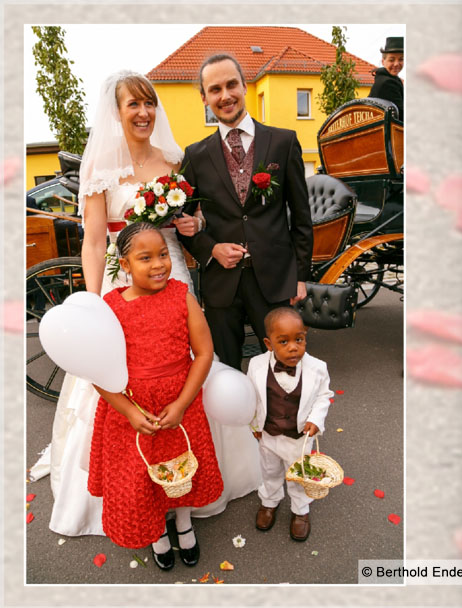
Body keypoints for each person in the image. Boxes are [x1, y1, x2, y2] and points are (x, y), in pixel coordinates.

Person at [43, 71, 260, 540]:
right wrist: (94, 301)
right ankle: (139, 494)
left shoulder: (172, 159)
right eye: (132, 105)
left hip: (173, 272)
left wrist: (191, 223)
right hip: (124, 282)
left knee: (177, 368)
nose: (143, 112)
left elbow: (190, 219)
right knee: (128, 376)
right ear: (116, 112)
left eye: (149, 103)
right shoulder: (100, 167)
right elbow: (96, 240)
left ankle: (186, 489)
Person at [88, 223, 223, 567]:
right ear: (125, 264)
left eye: (163, 254)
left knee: (182, 467)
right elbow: (96, 370)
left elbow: (204, 353)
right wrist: (129, 412)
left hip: (179, 403)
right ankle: (159, 530)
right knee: (142, 473)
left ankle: (183, 522)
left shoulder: (182, 296)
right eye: (145, 257)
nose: (159, 264)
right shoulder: (111, 308)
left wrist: (181, 404)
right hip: (133, 409)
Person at [177, 54, 313, 370]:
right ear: (204, 98)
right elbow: (181, 222)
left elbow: (302, 216)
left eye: (231, 84)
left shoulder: (283, 141)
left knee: (283, 369)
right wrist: (210, 248)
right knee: (225, 370)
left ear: (244, 85)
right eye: (215, 89)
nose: (225, 96)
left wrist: (301, 277)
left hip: (276, 279)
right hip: (221, 284)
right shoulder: (195, 155)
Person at [248, 308, 333, 542]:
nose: (293, 347)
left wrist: (316, 419)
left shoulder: (317, 367)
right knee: (270, 470)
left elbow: (324, 395)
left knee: (299, 475)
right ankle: (269, 501)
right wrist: (254, 425)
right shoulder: (256, 365)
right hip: (269, 434)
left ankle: (300, 510)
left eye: (299, 339)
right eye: (283, 342)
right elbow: (251, 397)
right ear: (268, 343)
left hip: (299, 438)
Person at [367, 37, 404, 120]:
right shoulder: (387, 83)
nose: (396, 64)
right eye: (392, 60)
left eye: (401, 59)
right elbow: (402, 115)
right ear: (383, 62)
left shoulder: (393, 79)